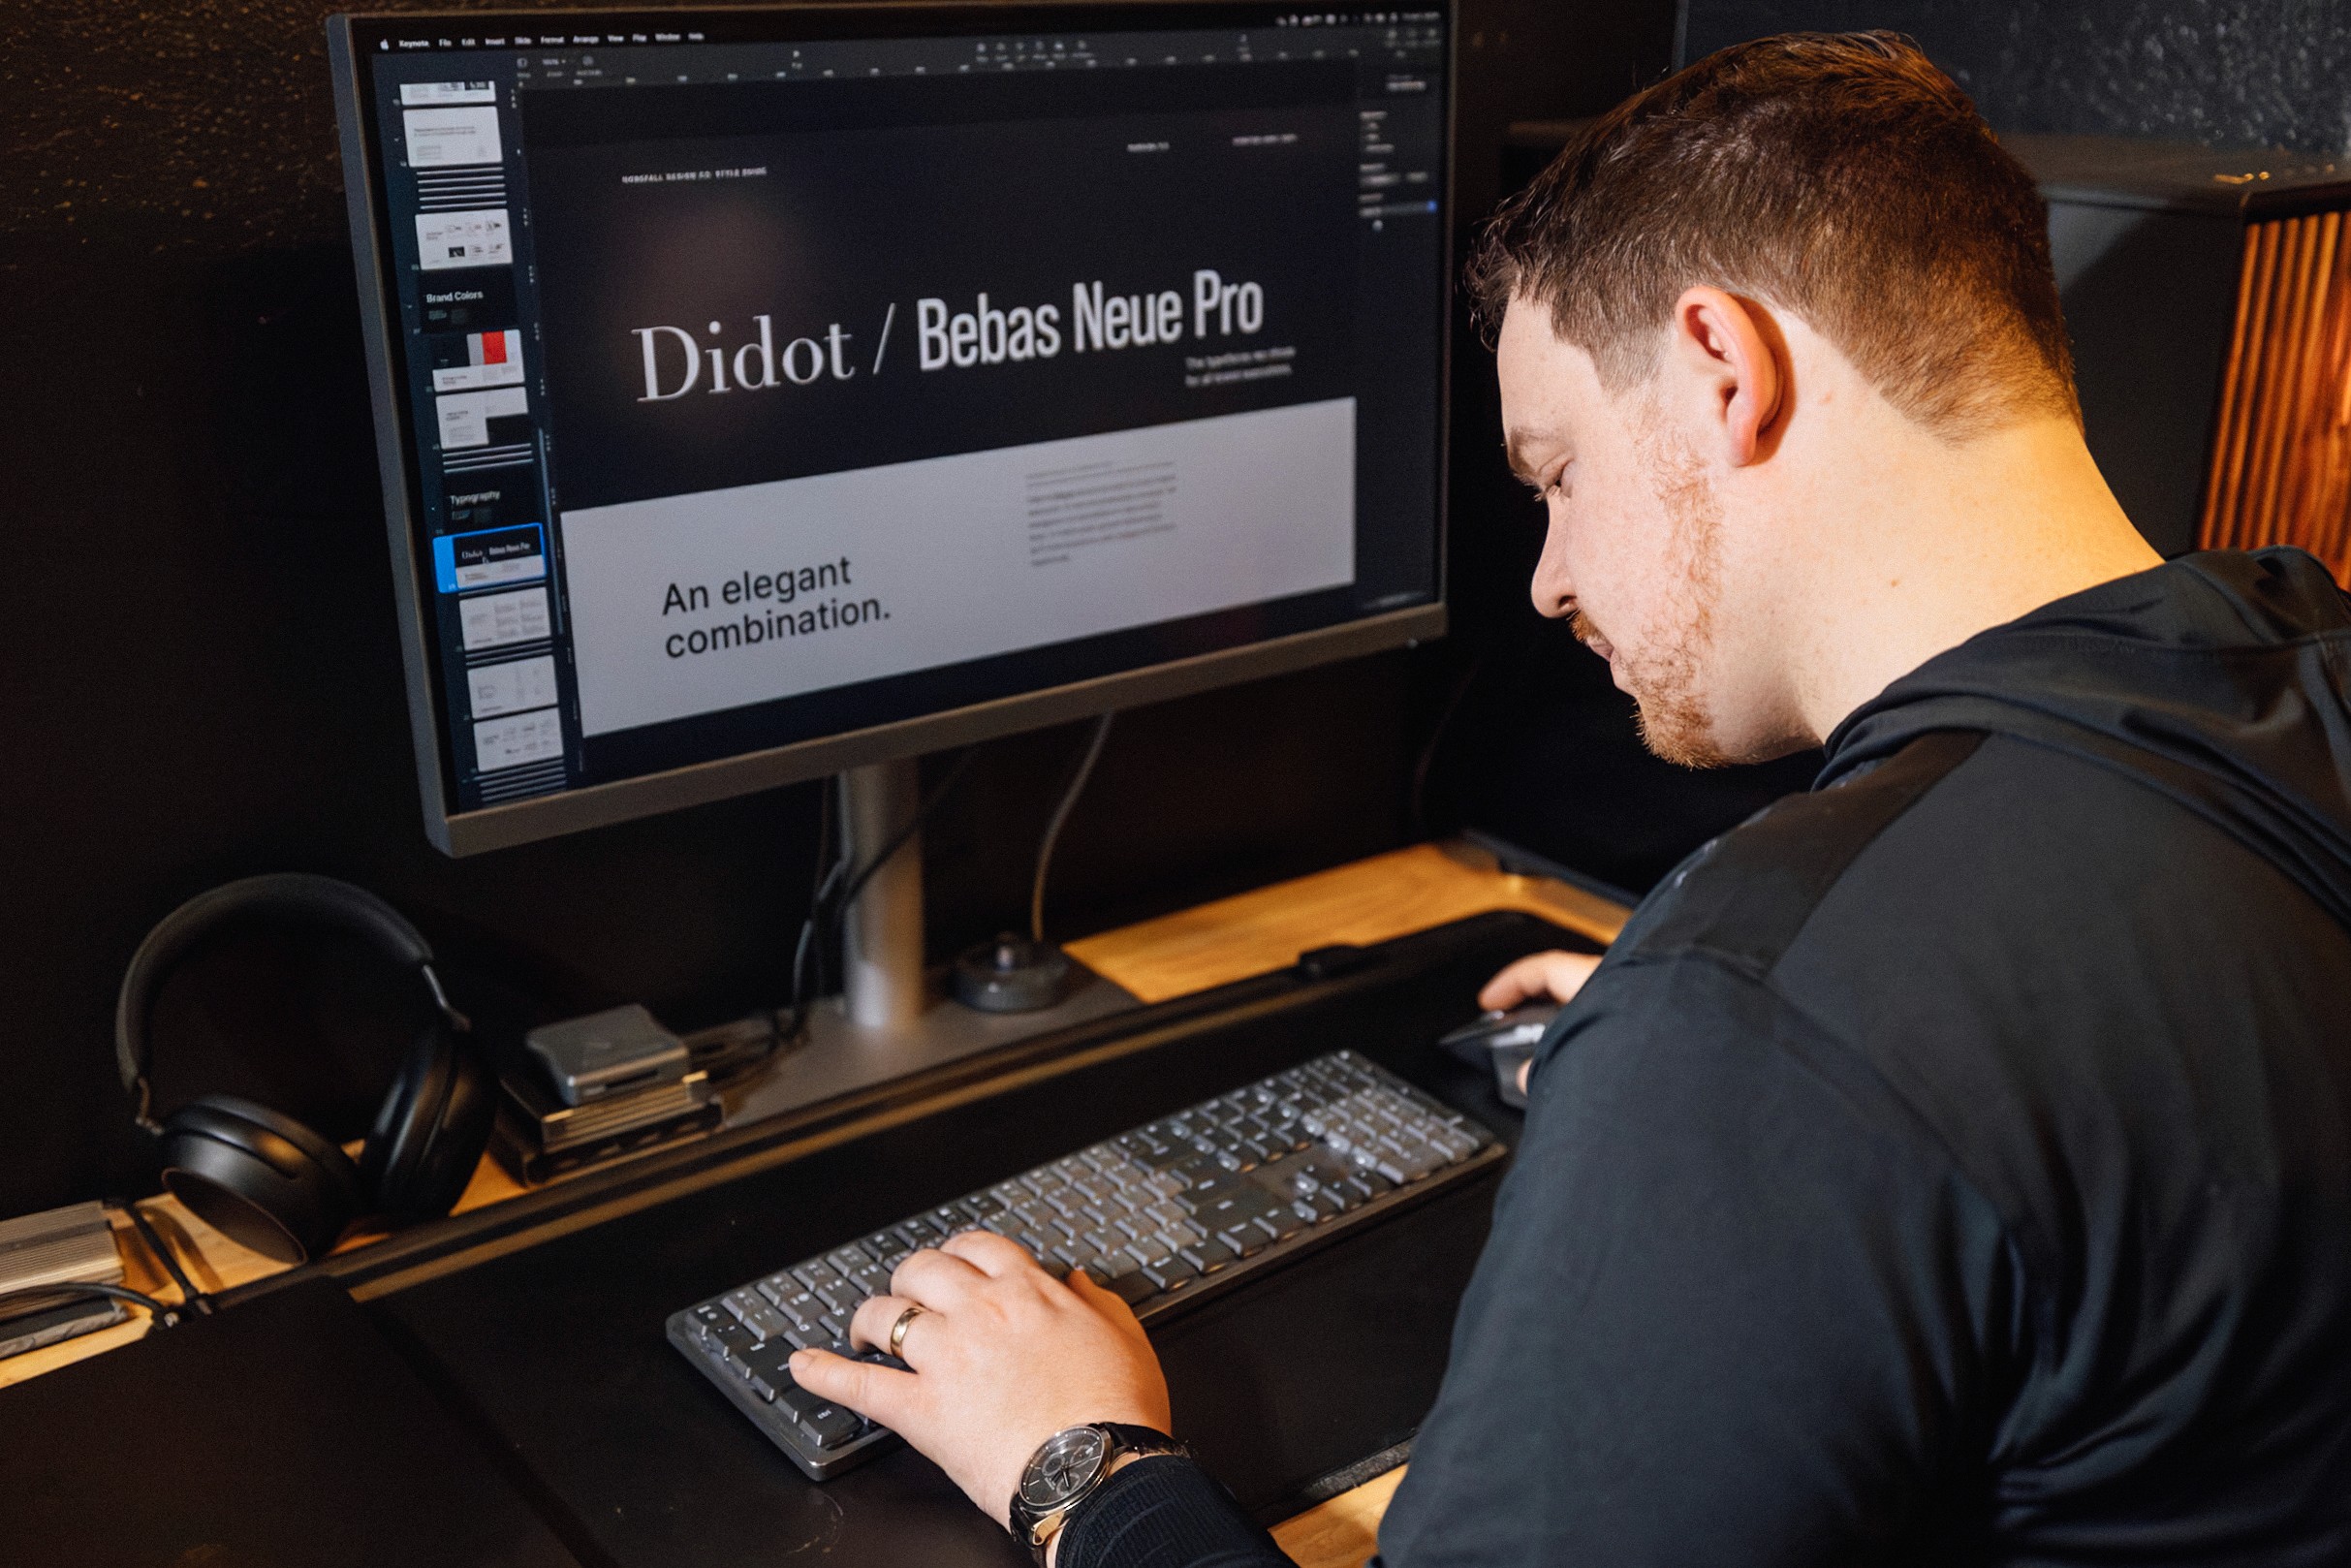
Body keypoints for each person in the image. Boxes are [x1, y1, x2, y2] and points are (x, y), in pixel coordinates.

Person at [792, 32, 2351, 1565]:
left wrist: (1082, 1462)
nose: (1544, 578)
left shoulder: (1772, 1022)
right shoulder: (2302, 667)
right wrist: (1782, 1090)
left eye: (1553, 473)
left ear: (1723, 368)